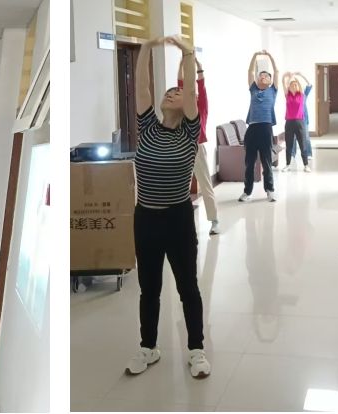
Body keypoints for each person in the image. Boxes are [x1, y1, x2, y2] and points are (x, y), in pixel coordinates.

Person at [125, 35, 210, 379]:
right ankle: (149, 347)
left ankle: (197, 350)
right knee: (150, 289)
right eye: (167, 92)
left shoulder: (189, 132)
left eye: (177, 93)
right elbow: (142, 85)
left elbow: (190, 92)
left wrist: (187, 53)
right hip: (145, 218)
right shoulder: (147, 127)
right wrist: (147, 47)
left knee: (188, 287)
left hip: (178, 219)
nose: (170, 94)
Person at [179, 59, 218, 235]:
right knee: (180, 187)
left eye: (194, 94)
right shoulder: (182, 108)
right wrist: (182, 63)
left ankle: (214, 220)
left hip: (197, 148)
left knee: (205, 184)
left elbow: (201, 88)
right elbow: (180, 83)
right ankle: (181, 222)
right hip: (181, 148)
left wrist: (199, 67)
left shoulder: (202, 107)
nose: (192, 95)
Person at [241, 50, 279, 203]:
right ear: (257, 80)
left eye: (266, 76)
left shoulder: (273, 91)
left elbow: (276, 71)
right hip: (252, 129)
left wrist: (270, 57)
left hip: (266, 129)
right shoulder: (253, 90)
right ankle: (247, 192)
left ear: (270, 81)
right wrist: (254, 56)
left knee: (267, 162)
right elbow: (250, 71)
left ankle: (270, 191)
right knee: (249, 163)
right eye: (261, 75)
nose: (263, 76)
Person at [281, 72, 314, 172]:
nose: (294, 86)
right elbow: (283, 83)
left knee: (302, 144)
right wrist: (287, 77)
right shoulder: (287, 95)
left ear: (298, 86)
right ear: (289, 87)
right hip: (289, 123)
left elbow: (305, 84)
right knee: (289, 144)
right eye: (292, 85)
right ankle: (287, 165)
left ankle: (306, 165)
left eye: (295, 85)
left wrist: (297, 77)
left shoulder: (302, 95)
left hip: (300, 122)